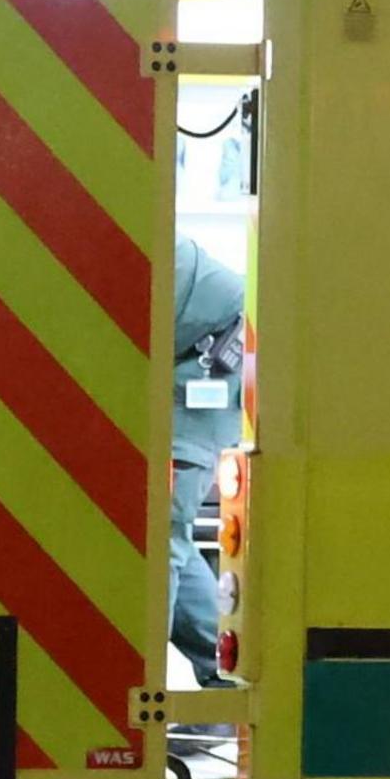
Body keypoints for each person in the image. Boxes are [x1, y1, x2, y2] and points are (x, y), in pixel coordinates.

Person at [167, 240, 248, 692]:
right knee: (165, 538)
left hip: (205, 362)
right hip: (205, 354)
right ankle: (226, 679)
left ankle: (125, 695)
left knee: (155, 538)